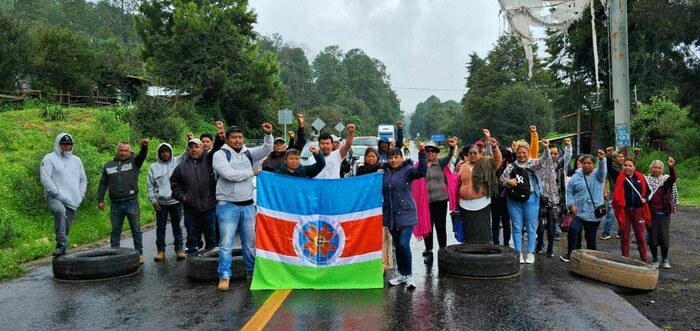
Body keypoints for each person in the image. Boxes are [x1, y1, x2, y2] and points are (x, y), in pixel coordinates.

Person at [213, 122, 273, 291]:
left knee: (250, 243)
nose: (238, 140)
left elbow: (266, 149)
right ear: (227, 138)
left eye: (240, 137)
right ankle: (224, 276)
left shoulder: (248, 153)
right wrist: (251, 172)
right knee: (226, 243)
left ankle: (251, 273)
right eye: (234, 137)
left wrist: (268, 135)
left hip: (248, 205)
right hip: (227, 206)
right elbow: (228, 175)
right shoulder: (220, 154)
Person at [171, 122, 225, 256]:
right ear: (188, 149)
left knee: (211, 238)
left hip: (209, 207)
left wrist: (219, 135)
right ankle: (193, 265)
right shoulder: (181, 167)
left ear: (202, 148)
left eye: (197, 146)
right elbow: (174, 184)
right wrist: (183, 197)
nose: (194, 149)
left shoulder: (209, 160)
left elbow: (217, 147)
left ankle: (212, 266)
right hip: (191, 209)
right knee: (192, 239)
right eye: (191, 147)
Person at [97, 139, 149, 263]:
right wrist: (100, 199)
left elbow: (142, 156)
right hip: (116, 204)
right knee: (115, 231)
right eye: (121, 150)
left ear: (130, 151)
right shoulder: (108, 165)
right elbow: (103, 183)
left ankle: (139, 254)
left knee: (136, 229)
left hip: (131, 202)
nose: (124, 153)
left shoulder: (134, 162)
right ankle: (114, 255)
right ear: (117, 150)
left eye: (126, 151)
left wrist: (144, 146)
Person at [500, 139, 550, 264]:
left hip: (532, 199)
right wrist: (508, 182)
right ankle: (518, 252)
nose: (522, 155)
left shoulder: (533, 164)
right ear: (516, 153)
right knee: (516, 226)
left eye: (524, 152)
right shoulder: (511, 166)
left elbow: (545, 160)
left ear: (528, 152)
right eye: (519, 153)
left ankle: (530, 252)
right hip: (514, 200)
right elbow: (501, 180)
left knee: (531, 227)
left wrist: (546, 149)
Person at [383, 145, 427, 288]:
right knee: (398, 246)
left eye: (396, 157)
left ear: (401, 158)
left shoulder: (407, 170)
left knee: (403, 244)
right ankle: (401, 274)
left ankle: (409, 276)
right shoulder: (385, 172)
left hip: (406, 213)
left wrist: (422, 153)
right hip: (391, 215)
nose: (393, 160)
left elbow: (422, 172)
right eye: (390, 157)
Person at [40, 133, 87, 257]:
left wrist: (81, 195)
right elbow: (45, 178)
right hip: (55, 197)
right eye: (64, 144)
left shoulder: (77, 160)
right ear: (58, 145)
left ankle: (62, 248)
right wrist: (56, 192)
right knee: (60, 211)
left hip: (73, 199)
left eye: (69, 144)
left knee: (67, 224)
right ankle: (60, 244)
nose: (67, 147)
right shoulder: (49, 158)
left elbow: (83, 179)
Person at [412, 138, 457, 260]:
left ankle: (443, 249)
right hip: (425, 201)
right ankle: (429, 249)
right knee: (428, 226)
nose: (430, 153)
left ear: (436, 152)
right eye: (427, 150)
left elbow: (449, 156)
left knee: (441, 225)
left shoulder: (441, 163)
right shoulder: (419, 166)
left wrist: (452, 147)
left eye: (433, 151)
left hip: (440, 199)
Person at [560, 151, 607, 262]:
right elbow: (569, 192)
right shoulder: (575, 177)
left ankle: (591, 258)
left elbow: (602, 170)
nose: (586, 165)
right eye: (584, 163)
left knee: (590, 237)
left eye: (589, 163)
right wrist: (571, 204)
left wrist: (602, 160)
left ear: (593, 165)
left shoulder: (598, 175)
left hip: (593, 213)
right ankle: (571, 253)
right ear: (581, 164)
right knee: (573, 230)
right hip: (579, 212)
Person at [458, 129, 502, 245]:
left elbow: (498, 161)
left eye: (475, 153)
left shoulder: (486, 163)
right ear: (467, 155)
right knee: (469, 232)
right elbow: (456, 183)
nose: (473, 155)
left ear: (480, 153)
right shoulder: (461, 166)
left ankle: (483, 255)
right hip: (465, 204)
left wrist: (494, 147)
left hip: (482, 203)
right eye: (470, 153)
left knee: (482, 232)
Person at [147, 143, 187, 261]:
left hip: (175, 201)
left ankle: (179, 249)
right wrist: (153, 200)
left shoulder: (177, 162)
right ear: (159, 154)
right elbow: (150, 185)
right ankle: (160, 251)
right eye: (162, 152)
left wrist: (189, 140)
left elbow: (185, 154)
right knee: (161, 227)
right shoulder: (153, 167)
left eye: (167, 151)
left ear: (171, 152)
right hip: (161, 203)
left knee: (177, 226)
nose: (165, 154)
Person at [535, 138, 573, 257]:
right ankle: (540, 243)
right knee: (540, 225)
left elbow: (568, 156)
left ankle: (550, 248)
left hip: (555, 200)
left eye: (555, 153)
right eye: (551, 153)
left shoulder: (561, 164)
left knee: (552, 224)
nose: (553, 155)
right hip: (542, 198)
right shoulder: (541, 164)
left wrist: (568, 145)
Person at [612, 158, 651, 262]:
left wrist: (645, 199)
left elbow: (649, 192)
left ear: (634, 167)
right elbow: (609, 168)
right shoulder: (620, 178)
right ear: (623, 166)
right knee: (625, 236)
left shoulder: (641, 178)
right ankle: (625, 259)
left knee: (641, 237)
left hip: (638, 210)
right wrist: (607, 157)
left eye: (630, 165)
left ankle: (644, 260)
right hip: (625, 211)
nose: (627, 167)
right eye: (625, 165)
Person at [646, 157, 678, 269]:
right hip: (651, 214)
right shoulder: (646, 181)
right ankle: (654, 259)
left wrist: (671, 167)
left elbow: (673, 178)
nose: (657, 170)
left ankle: (665, 259)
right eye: (655, 167)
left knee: (664, 237)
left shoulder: (665, 181)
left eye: (659, 168)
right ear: (651, 169)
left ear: (662, 170)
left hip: (664, 214)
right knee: (652, 237)